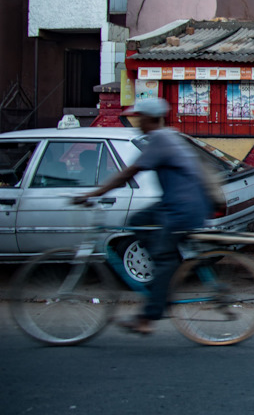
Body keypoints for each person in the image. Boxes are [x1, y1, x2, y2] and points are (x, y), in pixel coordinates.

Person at [74, 97, 214, 335]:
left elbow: (128, 173)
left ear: (149, 119)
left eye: (139, 118)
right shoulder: (168, 136)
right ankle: (162, 271)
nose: (137, 122)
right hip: (178, 204)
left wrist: (95, 193)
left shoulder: (160, 139)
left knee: (163, 258)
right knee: (137, 221)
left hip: (182, 209)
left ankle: (148, 315)